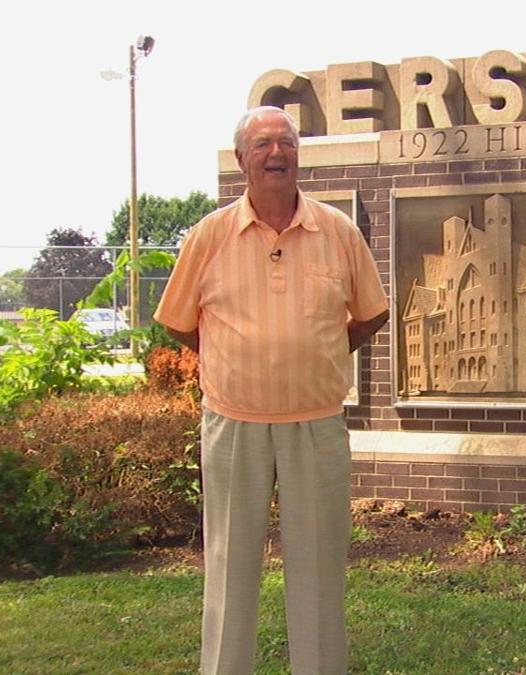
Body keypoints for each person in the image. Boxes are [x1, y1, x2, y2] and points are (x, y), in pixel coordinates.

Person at [154, 105, 389, 674]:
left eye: (285, 142)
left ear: (298, 156)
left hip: (316, 424)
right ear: (242, 161)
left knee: (317, 570)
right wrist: (232, 358)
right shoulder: (208, 236)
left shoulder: (338, 231)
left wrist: (322, 351)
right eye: (262, 145)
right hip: (234, 425)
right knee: (230, 568)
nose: (276, 153)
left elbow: (372, 313)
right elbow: (177, 321)